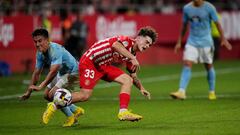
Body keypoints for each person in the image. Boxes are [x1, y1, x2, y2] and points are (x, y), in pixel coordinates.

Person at [43, 26, 158, 122]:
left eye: (150, 45)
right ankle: (54, 105)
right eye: (147, 42)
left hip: (103, 65)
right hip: (90, 61)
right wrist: (132, 57)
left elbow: (133, 76)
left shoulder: (131, 56)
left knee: (128, 80)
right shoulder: (126, 40)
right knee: (85, 95)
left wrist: (141, 88)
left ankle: (123, 112)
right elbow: (115, 45)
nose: (147, 46)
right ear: (138, 38)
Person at [19, 28, 84, 127]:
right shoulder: (40, 54)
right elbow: (36, 73)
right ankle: (75, 110)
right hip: (62, 73)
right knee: (46, 95)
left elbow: (53, 71)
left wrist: (41, 86)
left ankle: (71, 118)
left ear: (47, 40)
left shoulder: (55, 50)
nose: (37, 44)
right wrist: (28, 92)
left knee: (54, 94)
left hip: (73, 72)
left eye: (40, 41)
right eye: (35, 42)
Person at [170, 0, 232, 100]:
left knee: (208, 66)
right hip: (192, 42)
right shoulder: (187, 8)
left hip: (206, 42)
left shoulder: (209, 7)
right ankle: (181, 91)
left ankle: (212, 92)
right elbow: (184, 25)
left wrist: (223, 39)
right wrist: (179, 41)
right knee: (187, 63)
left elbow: (217, 23)